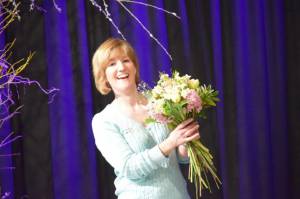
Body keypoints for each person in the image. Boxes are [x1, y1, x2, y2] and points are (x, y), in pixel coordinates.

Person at [91, 38, 200, 199]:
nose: (121, 67)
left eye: (126, 60)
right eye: (112, 64)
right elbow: (130, 168)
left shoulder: (161, 101)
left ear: (134, 67)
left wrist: (185, 142)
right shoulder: (103, 121)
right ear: (104, 75)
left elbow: (181, 160)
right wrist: (170, 142)